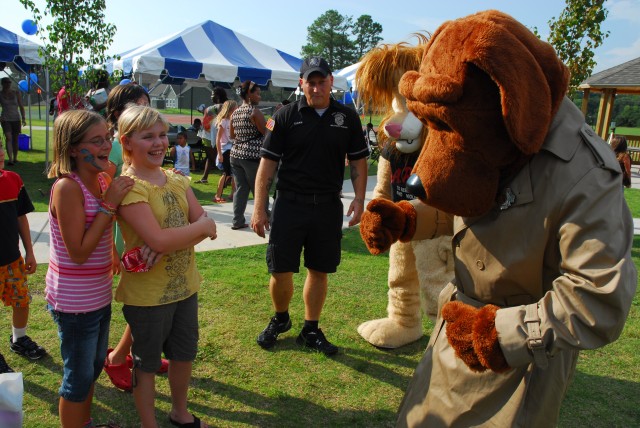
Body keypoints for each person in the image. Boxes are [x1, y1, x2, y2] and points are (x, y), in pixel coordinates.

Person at [251, 56, 369, 355]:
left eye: (321, 82)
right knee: (280, 270)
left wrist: (358, 197)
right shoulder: (284, 116)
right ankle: (280, 319)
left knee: (319, 270)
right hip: (289, 204)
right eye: (310, 83)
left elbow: (358, 160)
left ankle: (310, 329)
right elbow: (266, 167)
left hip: (328, 206)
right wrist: (259, 208)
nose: (316, 88)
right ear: (301, 84)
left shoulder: (347, 118)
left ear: (331, 81)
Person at [115, 105, 216, 428]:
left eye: (162, 135)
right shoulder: (129, 187)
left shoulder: (175, 180)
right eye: (148, 137)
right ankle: (149, 424)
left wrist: (178, 236)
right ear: (126, 142)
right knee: (145, 364)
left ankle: (179, 412)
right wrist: (193, 230)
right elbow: (168, 238)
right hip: (147, 297)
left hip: (186, 287)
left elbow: (207, 226)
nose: (159, 143)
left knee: (183, 354)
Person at [45, 109, 135, 427]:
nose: (104, 146)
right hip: (74, 303)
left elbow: (101, 227)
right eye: (95, 141)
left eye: (106, 138)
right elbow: (79, 252)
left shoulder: (99, 180)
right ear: (72, 148)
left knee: (94, 365)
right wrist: (109, 202)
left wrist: (111, 249)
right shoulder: (66, 189)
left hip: (97, 296)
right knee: (78, 377)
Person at [102, 83, 167, 393]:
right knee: (143, 301)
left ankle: (132, 353)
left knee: (149, 299)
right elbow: (107, 195)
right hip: (126, 237)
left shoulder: (142, 143)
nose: (144, 112)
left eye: (147, 105)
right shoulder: (115, 148)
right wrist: (113, 251)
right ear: (118, 114)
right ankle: (116, 357)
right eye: (136, 107)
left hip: (144, 230)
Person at [0, 144, 47, 375]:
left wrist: (29, 251)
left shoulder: (13, 180)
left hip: (12, 260)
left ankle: (19, 338)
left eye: (0, 148)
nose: (0, 153)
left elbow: (21, 218)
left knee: (22, 301)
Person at [230, 80, 267, 230]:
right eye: (257, 93)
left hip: (235, 154)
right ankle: (266, 216)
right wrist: (275, 119)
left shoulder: (235, 112)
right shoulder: (255, 112)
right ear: (249, 95)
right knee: (259, 188)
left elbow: (232, 135)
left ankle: (237, 221)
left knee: (241, 189)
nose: (260, 96)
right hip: (251, 156)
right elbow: (266, 131)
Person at [195, 87, 228, 184]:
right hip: (209, 135)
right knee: (211, 158)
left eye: (212, 95)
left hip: (214, 136)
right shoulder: (219, 107)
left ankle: (227, 177)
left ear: (218, 96)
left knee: (216, 158)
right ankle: (205, 178)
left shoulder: (221, 106)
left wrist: (205, 111)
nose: (211, 97)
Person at [213, 100, 238, 203]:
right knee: (226, 173)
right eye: (236, 108)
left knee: (233, 173)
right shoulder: (223, 121)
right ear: (231, 109)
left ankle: (233, 194)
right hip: (225, 149)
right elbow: (218, 139)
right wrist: (219, 153)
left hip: (231, 148)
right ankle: (218, 195)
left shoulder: (233, 120)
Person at [0, 77, 26, 165]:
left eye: (9, 82)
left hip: (16, 118)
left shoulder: (16, 93)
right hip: (5, 119)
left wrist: (23, 118)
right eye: (6, 82)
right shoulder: (0, 94)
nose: (8, 84)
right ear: (2, 84)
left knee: (15, 139)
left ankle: (15, 158)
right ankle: (10, 159)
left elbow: (21, 106)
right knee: (8, 137)